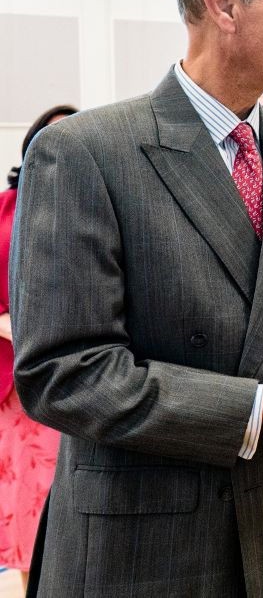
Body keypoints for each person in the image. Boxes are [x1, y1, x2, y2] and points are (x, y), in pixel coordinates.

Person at [9, 0, 263, 597]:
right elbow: (64, 370)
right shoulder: (86, 152)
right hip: (146, 546)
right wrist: (255, 408)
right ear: (223, 3)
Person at [0, 105, 75, 591]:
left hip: (80, 378)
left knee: (63, 504)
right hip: (15, 381)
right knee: (25, 507)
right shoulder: (5, 208)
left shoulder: (97, 204)